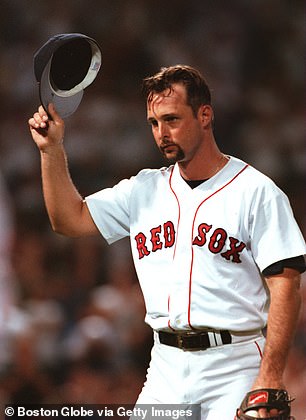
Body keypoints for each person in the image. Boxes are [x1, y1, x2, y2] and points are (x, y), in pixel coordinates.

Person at [28, 65, 305, 419]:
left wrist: (270, 374)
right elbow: (68, 220)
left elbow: (285, 286)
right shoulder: (144, 189)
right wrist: (51, 151)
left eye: (172, 119)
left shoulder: (256, 191)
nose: (162, 133)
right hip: (164, 366)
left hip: (235, 364)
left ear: (205, 115)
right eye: (154, 123)